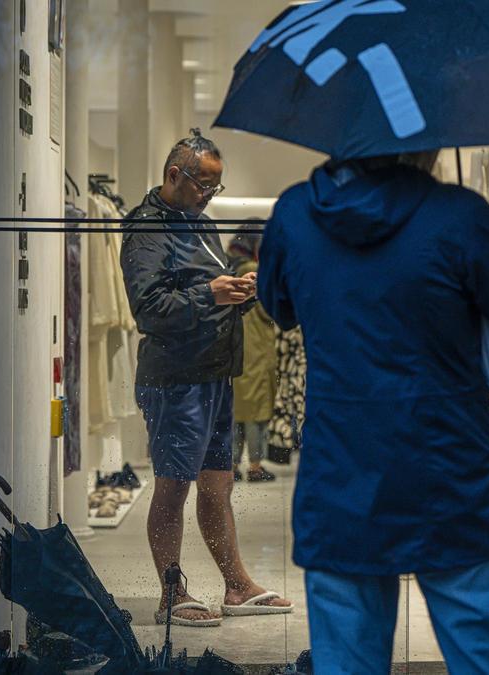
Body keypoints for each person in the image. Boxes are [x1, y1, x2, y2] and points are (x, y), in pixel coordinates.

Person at [256, 150, 489, 673]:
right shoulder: (459, 215)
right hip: (453, 473)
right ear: (426, 143)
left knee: (347, 663)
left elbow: (278, 306)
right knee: (479, 655)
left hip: (342, 478)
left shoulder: (295, 213)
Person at [121, 129, 292, 627]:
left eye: (216, 188)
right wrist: (210, 296)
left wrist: (243, 290)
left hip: (215, 374)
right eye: (204, 185)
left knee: (217, 486)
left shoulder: (198, 222)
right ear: (175, 174)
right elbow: (148, 310)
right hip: (177, 378)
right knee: (173, 488)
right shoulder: (147, 228)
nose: (209, 195)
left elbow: (207, 290)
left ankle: (236, 585)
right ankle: (171, 593)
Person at [227, 221, 278, 483]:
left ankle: (233, 465)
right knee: (257, 414)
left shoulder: (230, 267)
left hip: (236, 347)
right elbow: (270, 310)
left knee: (237, 412)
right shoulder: (255, 271)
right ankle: (255, 466)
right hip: (257, 350)